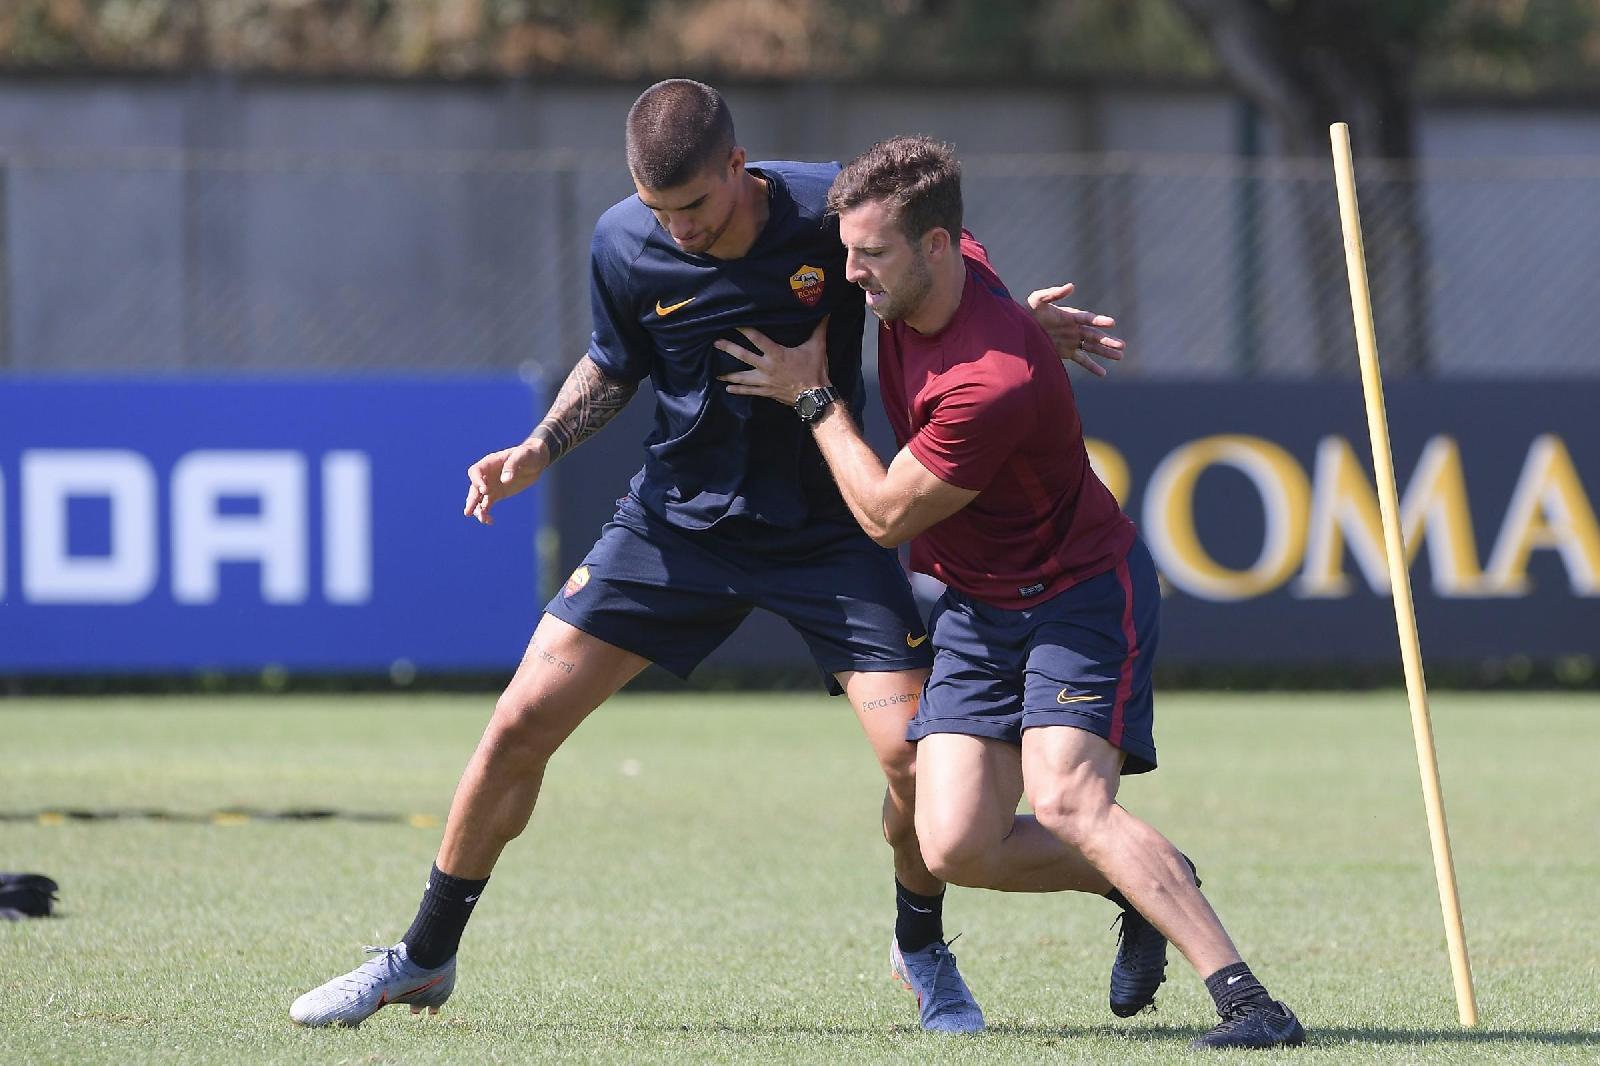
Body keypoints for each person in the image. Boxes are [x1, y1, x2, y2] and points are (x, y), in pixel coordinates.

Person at [288, 80, 1131, 1035]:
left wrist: (1018, 324)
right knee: (519, 722)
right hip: (674, 527)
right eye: (660, 212)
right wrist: (539, 447)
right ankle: (424, 956)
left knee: (909, 759)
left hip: (827, 531)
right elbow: (614, 360)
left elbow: (935, 265)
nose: (677, 230)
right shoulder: (622, 240)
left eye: (694, 207)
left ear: (740, 166)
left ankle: (920, 947)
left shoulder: (827, 210)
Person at [717, 135, 1307, 1050]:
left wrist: (813, 399)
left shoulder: (989, 382)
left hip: (1076, 593)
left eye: (870, 256)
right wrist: (1028, 328)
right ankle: (1148, 877)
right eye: (849, 250)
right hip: (979, 607)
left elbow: (882, 517)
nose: (851, 274)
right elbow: (979, 309)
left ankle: (1250, 1004)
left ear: (938, 249)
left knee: (1070, 800)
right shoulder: (951, 273)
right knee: (953, 842)